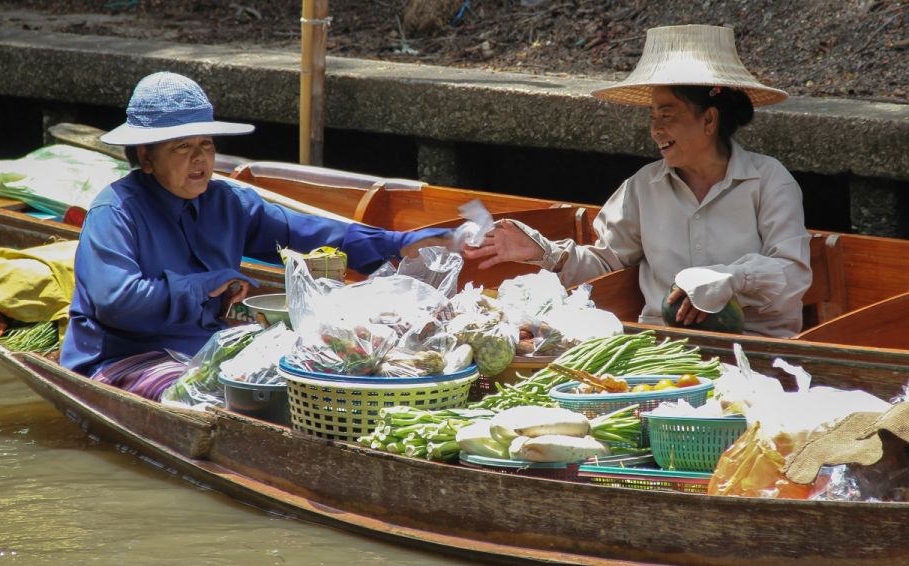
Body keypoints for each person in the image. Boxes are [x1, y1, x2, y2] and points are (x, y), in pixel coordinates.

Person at [60, 71, 450, 399]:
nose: (200, 159)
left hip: (203, 345)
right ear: (146, 157)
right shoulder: (114, 212)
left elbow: (307, 232)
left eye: (206, 145)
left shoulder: (228, 202)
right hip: (125, 358)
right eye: (183, 147)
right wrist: (205, 285)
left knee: (307, 379)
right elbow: (117, 302)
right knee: (210, 396)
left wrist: (398, 244)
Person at [464, 25, 812, 338]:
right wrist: (546, 253)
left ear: (709, 120)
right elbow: (606, 262)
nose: (655, 128)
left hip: (757, 350)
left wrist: (730, 280)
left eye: (668, 114)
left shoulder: (769, 181)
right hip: (663, 349)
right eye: (652, 115)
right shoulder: (642, 187)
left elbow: (792, 274)